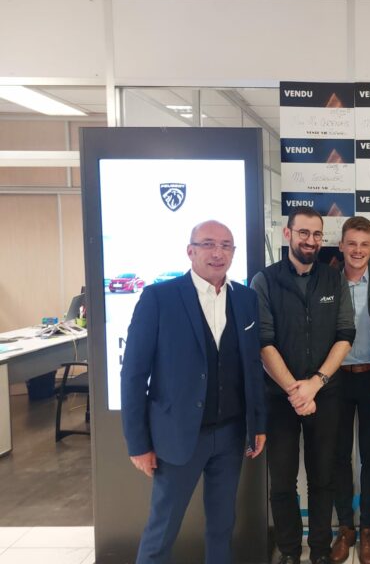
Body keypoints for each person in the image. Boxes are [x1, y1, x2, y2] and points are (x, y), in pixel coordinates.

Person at [121, 220, 266, 564]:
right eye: (208, 244)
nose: (218, 253)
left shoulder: (245, 298)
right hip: (178, 437)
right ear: (190, 251)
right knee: (162, 530)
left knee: (222, 526)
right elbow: (134, 374)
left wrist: (257, 424)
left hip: (230, 435)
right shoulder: (159, 298)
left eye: (226, 246)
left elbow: (251, 367)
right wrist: (138, 443)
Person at [252, 206, 356, 564]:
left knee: (323, 478)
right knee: (282, 482)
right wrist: (295, 390)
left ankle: (320, 552)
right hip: (278, 398)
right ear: (288, 234)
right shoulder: (264, 281)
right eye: (303, 233)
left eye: (316, 234)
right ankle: (290, 552)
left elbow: (345, 334)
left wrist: (315, 383)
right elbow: (264, 342)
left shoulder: (334, 279)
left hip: (325, 395)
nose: (310, 241)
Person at [331, 217, 370, 564]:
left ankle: (367, 527)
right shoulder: (326, 279)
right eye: (352, 243)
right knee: (338, 455)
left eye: (364, 245)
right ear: (341, 245)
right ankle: (346, 527)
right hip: (335, 379)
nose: (357, 250)